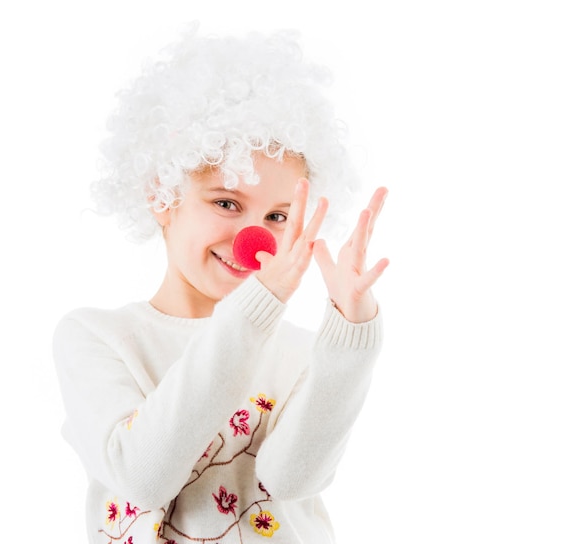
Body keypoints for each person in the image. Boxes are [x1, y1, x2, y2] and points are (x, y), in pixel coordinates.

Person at [53, 27, 389, 544]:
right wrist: (257, 309)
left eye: (277, 216)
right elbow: (143, 476)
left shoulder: (297, 352)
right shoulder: (98, 338)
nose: (253, 239)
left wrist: (349, 338)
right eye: (226, 203)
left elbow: (290, 480)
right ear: (162, 195)